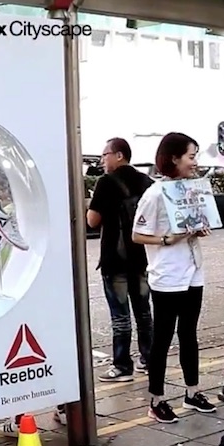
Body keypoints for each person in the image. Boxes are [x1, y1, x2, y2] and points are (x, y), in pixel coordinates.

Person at [132, 132, 216, 424]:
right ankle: (156, 400)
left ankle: (192, 392)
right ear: (174, 158)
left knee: (189, 333)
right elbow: (137, 234)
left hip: (193, 269)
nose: (195, 162)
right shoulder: (155, 194)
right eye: (191, 157)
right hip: (167, 274)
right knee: (163, 337)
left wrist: (198, 229)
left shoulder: (191, 190)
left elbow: (193, 223)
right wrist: (168, 239)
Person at [87, 137, 155, 382]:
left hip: (115, 259)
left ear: (119, 155)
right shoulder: (147, 182)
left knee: (120, 316)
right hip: (142, 257)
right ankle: (149, 360)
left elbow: (92, 221)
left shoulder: (106, 183)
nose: (102, 160)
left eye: (105, 155)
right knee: (144, 312)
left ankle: (122, 367)